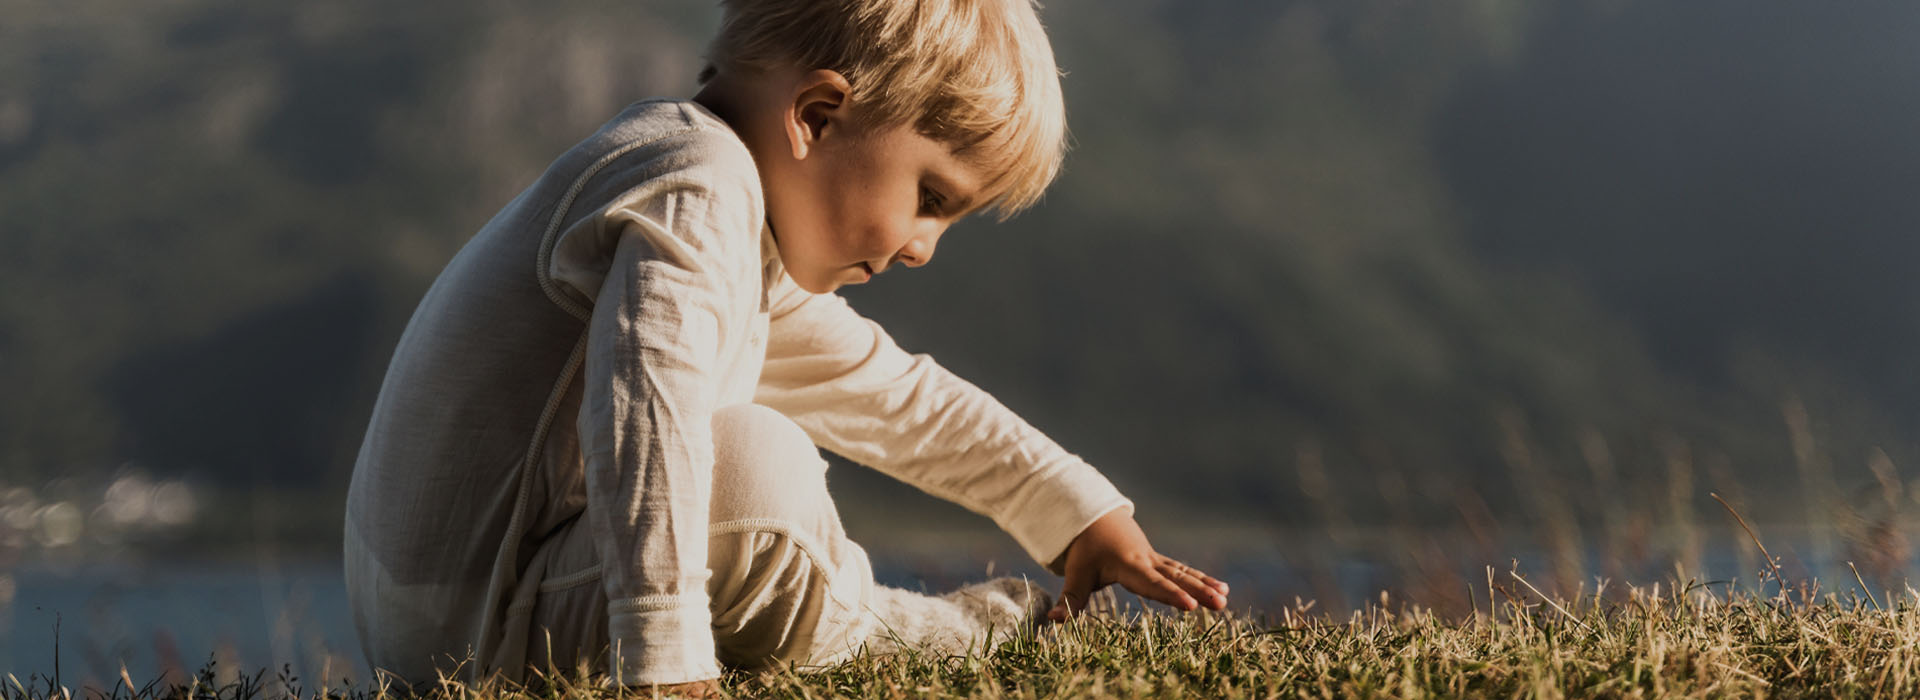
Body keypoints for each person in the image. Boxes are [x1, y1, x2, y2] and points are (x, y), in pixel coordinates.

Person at [342, 0, 1228, 694]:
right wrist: (663, 651)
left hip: (461, 614)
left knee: (754, 465)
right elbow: (647, 410)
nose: (923, 246)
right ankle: (953, 642)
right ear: (817, 114)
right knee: (762, 466)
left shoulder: (726, 218)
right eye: (930, 197)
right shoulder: (697, 186)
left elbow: (889, 393)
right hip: (482, 630)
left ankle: (937, 631)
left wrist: (1073, 509)